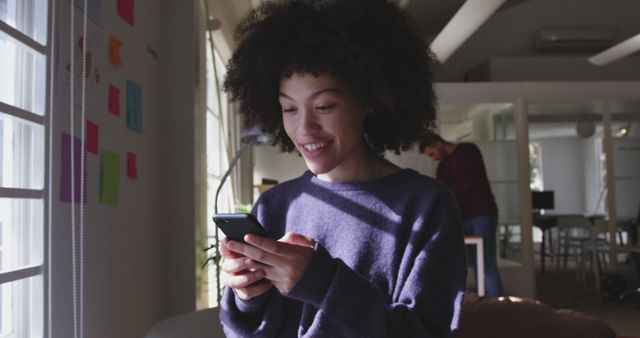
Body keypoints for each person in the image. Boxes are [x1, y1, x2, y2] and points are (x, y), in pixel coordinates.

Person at [219, 1, 466, 337]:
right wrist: (248, 297)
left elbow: (426, 331)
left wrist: (321, 282)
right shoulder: (275, 206)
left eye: (323, 105)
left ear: (368, 99)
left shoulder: (426, 206)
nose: (304, 128)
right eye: (289, 108)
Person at [419, 133, 503, 297]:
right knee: (470, 262)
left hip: (482, 214)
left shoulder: (467, 151)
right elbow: (443, 193)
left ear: (439, 144)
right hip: (462, 218)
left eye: (432, 153)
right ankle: (481, 302)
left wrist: (443, 198)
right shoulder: (442, 167)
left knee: (486, 263)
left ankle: (496, 305)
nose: (433, 158)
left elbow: (464, 183)